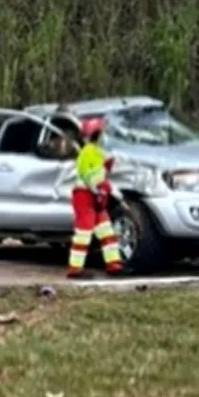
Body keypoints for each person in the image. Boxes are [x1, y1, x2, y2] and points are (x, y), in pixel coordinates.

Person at [69, 117, 125, 279]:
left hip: (94, 196)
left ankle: (114, 264)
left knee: (106, 231)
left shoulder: (95, 152)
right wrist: (103, 188)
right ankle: (76, 268)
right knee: (84, 233)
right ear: (97, 134)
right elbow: (92, 177)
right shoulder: (89, 153)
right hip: (85, 196)